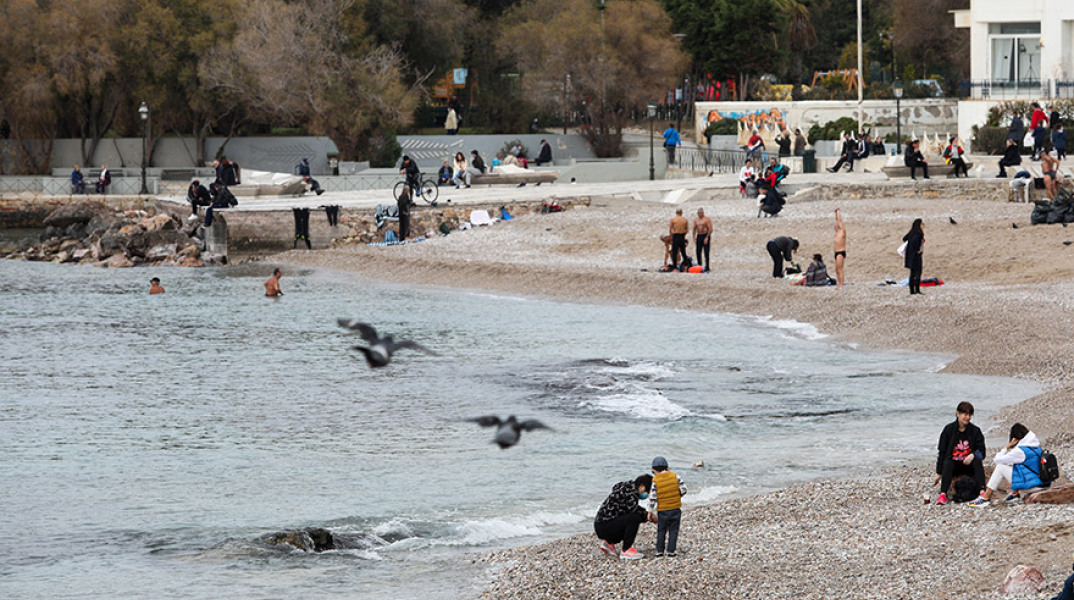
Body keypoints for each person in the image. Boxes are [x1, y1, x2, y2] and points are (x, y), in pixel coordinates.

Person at [967, 423, 1047, 507]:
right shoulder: (1035, 446)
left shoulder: (1020, 451)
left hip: (1034, 487)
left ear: (1015, 438)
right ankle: (1014, 494)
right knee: (1017, 466)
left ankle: (985, 498)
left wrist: (1007, 446)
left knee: (1001, 467)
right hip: (1042, 483)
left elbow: (997, 460)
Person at [932, 401, 986, 505]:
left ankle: (982, 491)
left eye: (970, 414)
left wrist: (973, 455)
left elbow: (982, 452)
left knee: (977, 461)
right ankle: (943, 494)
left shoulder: (975, 431)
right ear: (958, 414)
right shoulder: (948, 430)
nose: (968, 417)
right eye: (965, 414)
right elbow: (942, 452)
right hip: (954, 466)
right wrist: (938, 472)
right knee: (948, 462)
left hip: (968, 465)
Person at [593, 474, 655, 560]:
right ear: (642, 486)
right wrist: (649, 516)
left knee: (625, 519)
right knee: (634, 518)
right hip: (605, 527)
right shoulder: (631, 494)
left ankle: (609, 543)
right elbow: (634, 511)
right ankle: (626, 550)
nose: (647, 494)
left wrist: (648, 514)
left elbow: (627, 510)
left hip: (600, 524)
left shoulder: (625, 488)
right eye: (648, 491)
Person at [648, 456, 687, 557]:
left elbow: (653, 498)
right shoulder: (675, 476)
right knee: (673, 530)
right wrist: (677, 495)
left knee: (661, 530)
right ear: (667, 468)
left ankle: (660, 550)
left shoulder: (655, 480)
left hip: (663, 510)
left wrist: (650, 511)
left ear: (654, 470)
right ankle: (671, 551)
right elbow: (684, 489)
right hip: (675, 508)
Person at [903, 218, 925, 295]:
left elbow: (904, 238)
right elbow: (916, 242)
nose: (923, 225)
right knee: (918, 273)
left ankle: (912, 290)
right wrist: (917, 250)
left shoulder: (911, 233)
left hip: (909, 256)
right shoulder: (919, 234)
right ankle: (917, 290)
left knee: (912, 273)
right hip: (916, 256)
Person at [693, 208, 712, 272]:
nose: (699, 214)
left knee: (706, 252)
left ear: (703, 213)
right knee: (698, 251)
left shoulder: (706, 219)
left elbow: (710, 229)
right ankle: (699, 265)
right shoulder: (696, 220)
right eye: (698, 213)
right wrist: (694, 237)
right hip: (699, 236)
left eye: (700, 213)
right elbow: (694, 229)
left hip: (705, 235)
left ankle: (707, 266)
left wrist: (707, 237)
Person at [833, 207, 846, 288]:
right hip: (836, 253)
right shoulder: (837, 233)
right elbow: (836, 222)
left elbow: (839, 221)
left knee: (840, 270)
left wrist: (837, 212)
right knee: (837, 270)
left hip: (840, 252)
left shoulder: (842, 231)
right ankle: (839, 284)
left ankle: (841, 285)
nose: (835, 226)